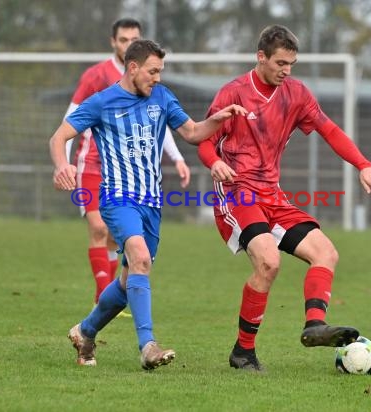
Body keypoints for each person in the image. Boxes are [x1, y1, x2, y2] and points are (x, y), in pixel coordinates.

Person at [198, 25, 371, 372]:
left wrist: (363, 165)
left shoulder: (296, 94)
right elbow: (204, 138)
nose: (287, 70)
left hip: (272, 194)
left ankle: (314, 325)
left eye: (292, 64)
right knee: (269, 263)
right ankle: (244, 351)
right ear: (261, 58)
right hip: (237, 193)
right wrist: (214, 163)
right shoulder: (233, 93)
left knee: (326, 253)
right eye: (281, 63)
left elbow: (328, 130)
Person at [50, 39, 247, 369]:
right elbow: (59, 137)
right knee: (139, 257)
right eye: (153, 71)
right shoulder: (102, 102)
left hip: (152, 204)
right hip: (117, 199)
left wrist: (220, 118)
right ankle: (148, 346)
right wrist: (61, 165)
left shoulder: (163, 97)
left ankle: (85, 332)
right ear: (133, 68)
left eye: (160, 71)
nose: (157, 78)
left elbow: (194, 132)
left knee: (130, 281)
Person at [64, 18, 191, 304]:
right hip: (92, 163)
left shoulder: (149, 78)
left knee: (113, 238)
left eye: (133, 39)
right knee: (98, 228)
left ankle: (109, 296)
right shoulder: (96, 76)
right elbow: (69, 121)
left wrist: (177, 157)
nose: (127, 44)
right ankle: (102, 298)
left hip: (127, 171)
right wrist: (66, 162)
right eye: (123, 39)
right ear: (113, 42)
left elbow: (157, 124)